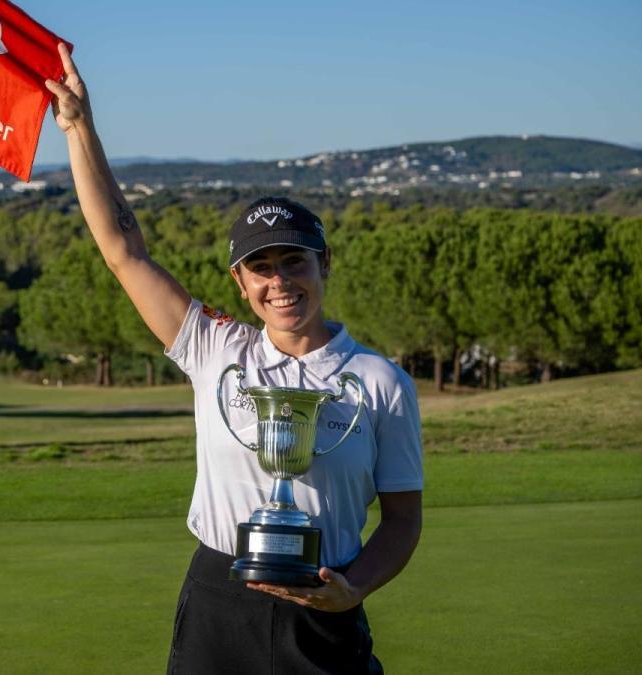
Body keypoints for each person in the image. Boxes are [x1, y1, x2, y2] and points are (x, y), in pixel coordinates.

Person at [45, 44, 423, 674]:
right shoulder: (215, 348)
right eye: (261, 268)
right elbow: (123, 250)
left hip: (323, 604)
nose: (281, 283)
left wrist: (353, 589)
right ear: (241, 284)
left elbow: (403, 521)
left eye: (295, 261)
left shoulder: (381, 382)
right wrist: (80, 127)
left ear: (324, 264)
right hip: (219, 602)